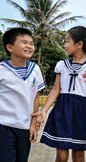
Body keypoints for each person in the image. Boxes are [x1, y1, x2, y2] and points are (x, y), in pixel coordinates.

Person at [34, 26, 86, 162]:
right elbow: (55, 90)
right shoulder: (62, 65)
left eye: (66, 41)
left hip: (81, 113)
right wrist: (43, 110)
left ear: (79, 44)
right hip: (61, 111)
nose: (64, 45)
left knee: (78, 156)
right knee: (61, 156)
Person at [0, 27, 45, 162]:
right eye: (24, 42)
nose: (29, 46)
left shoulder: (35, 69)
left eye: (31, 43)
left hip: (24, 127)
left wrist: (32, 124)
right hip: (4, 126)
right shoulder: (2, 69)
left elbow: (36, 97)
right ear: (10, 47)